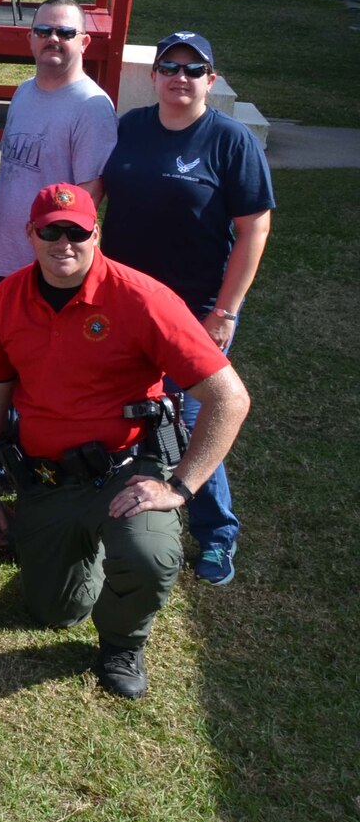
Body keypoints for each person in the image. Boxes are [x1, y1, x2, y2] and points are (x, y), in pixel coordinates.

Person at [0, 183, 250, 698]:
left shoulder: (142, 298)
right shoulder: (6, 299)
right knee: (56, 612)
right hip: (46, 477)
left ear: (96, 232)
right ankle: (84, 550)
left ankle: (122, 641)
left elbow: (229, 399)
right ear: (30, 234)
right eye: (51, 231)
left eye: (77, 230)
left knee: (150, 557)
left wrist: (181, 488)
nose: (64, 242)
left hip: (125, 472)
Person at [101, 31, 273, 588]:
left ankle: (217, 532)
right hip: (126, 302)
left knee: (194, 416)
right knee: (124, 401)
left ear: (210, 79)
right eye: (169, 67)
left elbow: (254, 228)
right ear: (153, 76)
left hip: (197, 308)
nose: (180, 77)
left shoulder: (230, 141)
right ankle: (111, 504)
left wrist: (225, 311)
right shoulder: (129, 128)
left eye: (193, 69)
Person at [0, 0, 118, 316]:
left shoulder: (92, 106)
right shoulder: (23, 92)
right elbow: (12, 179)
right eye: (43, 30)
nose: (52, 38)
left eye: (65, 32)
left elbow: (89, 196)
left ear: (84, 42)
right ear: (30, 38)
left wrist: (52, 259)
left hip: (45, 268)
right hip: (0, 260)